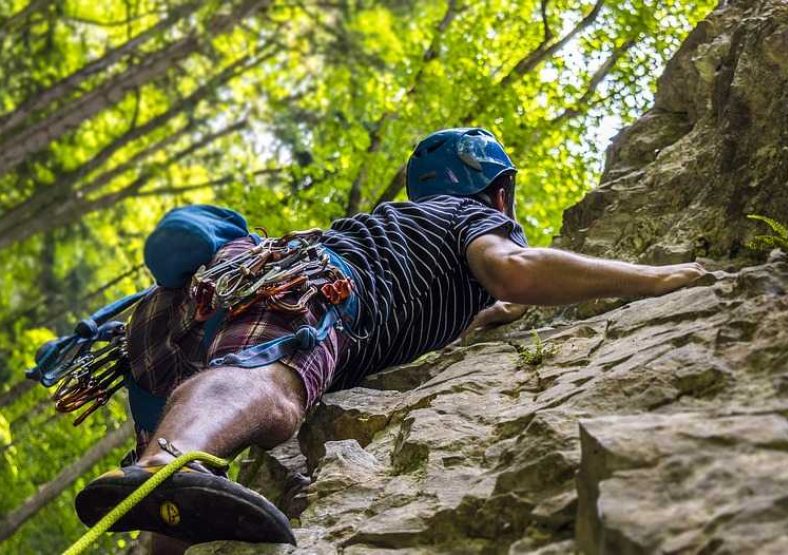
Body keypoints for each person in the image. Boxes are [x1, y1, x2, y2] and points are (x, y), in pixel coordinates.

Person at [75, 128, 705, 549]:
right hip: (309, 286)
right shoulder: (470, 217)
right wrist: (657, 277)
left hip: (175, 320)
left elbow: (454, 309)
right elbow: (514, 269)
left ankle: (159, 500)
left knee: (183, 485)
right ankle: (161, 465)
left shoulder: (405, 233)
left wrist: (483, 320)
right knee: (275, 384)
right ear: (499, 191)